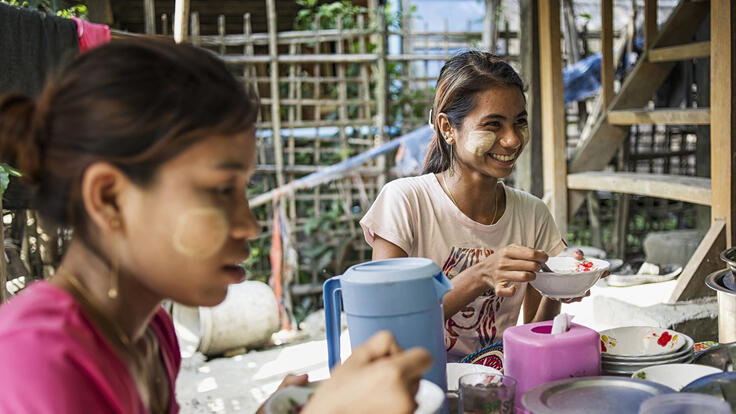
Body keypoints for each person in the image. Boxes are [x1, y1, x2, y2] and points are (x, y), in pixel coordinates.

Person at [0, 40, 431, 414]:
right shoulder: (35, 360)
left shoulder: (151, 330)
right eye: (221, 190)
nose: (250, 225)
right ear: (110, 198)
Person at [360, 51, 575, 363]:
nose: (512, 139)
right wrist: (481, 275)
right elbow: (385, 329)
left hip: (492, 390)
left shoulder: (533, 214)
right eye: (493, 125)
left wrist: (559, 287)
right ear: (448, 128)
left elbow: (532, 337)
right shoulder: (405, 202)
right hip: (417, 390)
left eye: (519, 122)